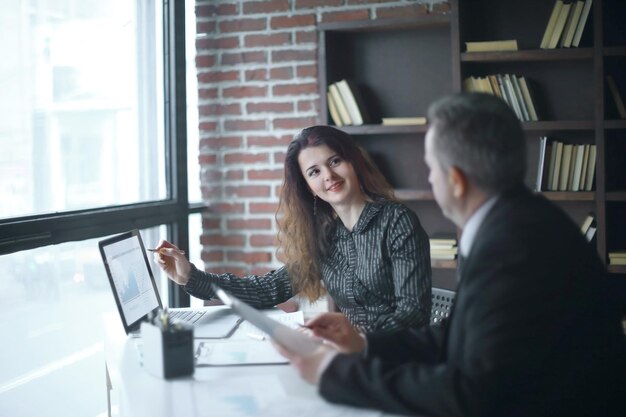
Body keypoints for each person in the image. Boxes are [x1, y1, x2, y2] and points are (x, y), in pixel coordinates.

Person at [275, 93, 626, 417]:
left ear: (456, 180)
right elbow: (457, 334)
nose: (430, 180)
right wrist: (365, 344)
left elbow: (472, 394)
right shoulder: (514, 223)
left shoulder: (511, 248)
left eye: (431, 168)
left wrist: (335, 374)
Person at [154, 125, 432, 332]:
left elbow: (413, 314)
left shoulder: (397, 220)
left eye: (334, 161)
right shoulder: (326, 237)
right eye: (315, 172)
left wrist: (355, 337)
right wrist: (191, 276)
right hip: (354, 355)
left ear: (353, 163)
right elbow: (267, 289)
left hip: (399, 359)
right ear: (308, 186)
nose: (329, 176)